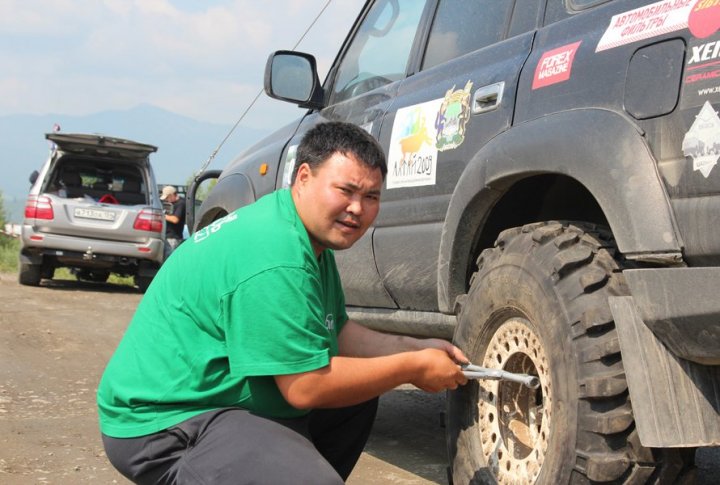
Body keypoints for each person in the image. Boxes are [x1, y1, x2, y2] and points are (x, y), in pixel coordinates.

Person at [96, 121, 468, 485]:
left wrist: (415, 347)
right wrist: (411, 368)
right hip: (164, 423)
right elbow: (304, 387)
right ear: (303, 177)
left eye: (371, 196)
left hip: (216, 400)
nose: (357, 208)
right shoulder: (276, 252)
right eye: (346, 190)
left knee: (358, 394)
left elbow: (336, 331)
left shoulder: (300, 235)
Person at [160, 185, 186, 256]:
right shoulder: (171, 204)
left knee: (168, 259)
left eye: (167, 197)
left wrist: (162, 215)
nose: (166, 200)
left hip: (173, 238)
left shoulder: (180, 204)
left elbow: (175, 219)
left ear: (171, 195)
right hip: (167, 237)